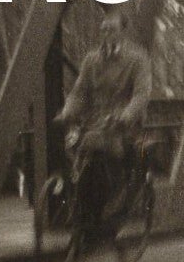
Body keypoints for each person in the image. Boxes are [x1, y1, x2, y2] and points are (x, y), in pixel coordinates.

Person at [60, 16, 153, 199]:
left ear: (122, 33)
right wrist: (67, 111)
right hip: (95, 122)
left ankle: (116, 194)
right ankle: (79, 189)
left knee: (106, 148)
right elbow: (80, 92)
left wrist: (126, 116)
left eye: (112, 30)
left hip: (123, 125)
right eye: (104, 30)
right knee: (73, 143)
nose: (107, 34)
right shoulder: (92, 60)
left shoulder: (137, 59)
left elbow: (141, 95)